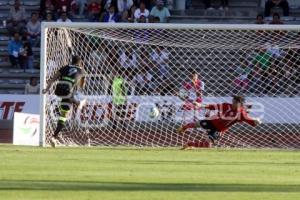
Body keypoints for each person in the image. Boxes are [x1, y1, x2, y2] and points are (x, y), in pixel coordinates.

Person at [177, 96, 261, 148]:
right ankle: (184, 127)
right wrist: (200, 105)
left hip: (219, 130)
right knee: (196, 124)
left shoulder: (242, 113)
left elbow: (251, 122)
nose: (232, 102)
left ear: (240, 104)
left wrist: (256, 121)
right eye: (233, 101)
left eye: (235, 102)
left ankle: (189, 144)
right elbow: (213, 106)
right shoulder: (226, 105)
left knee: (208, 145)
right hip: (212, 122)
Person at [42, 55, 86, 147]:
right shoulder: (82, 71)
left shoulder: (65, 67)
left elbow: (53, 78)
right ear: (80, 62)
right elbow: (82, 86)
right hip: (68, 92)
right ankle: (78, 103)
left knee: (64, 115)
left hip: (58, 90)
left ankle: (54, 137)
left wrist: (46, 89)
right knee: (71, 99)